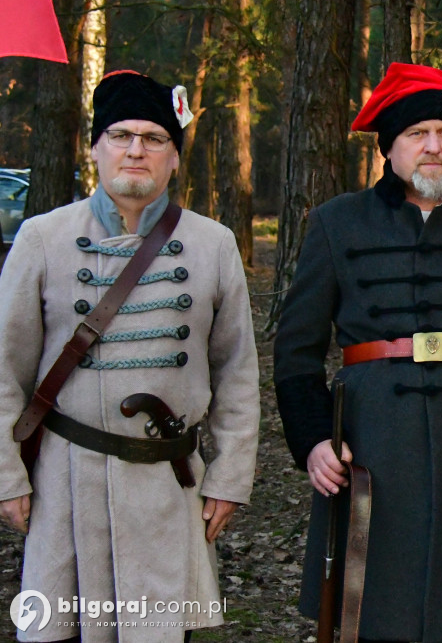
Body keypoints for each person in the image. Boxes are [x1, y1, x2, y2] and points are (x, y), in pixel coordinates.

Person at [273, 63, 442, 643]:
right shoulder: (336, 222)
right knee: (373, 607)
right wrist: (314, 439)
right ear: (389, 147)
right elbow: (297, 349)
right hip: (373, 436)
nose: (433, 146)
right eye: (417, 134)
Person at [0, 70, 261, 642]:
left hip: (169, 488)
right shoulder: (43, 238)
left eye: (154, 138)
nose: (136, 150)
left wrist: (230, 477)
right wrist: (7, 477)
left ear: (174, 157)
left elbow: (237, 372)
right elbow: (3, 370)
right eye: (120, 135)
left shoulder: (213, 244)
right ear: (95, 148)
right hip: (66, 483)